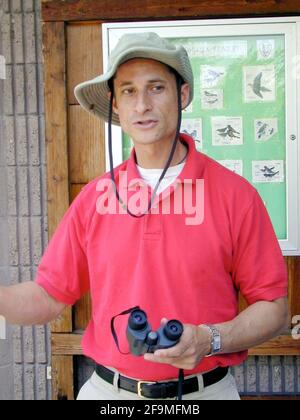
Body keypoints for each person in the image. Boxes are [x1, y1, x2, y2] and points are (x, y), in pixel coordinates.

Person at [0, 32, 288, 401]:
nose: (142, 105)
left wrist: (210, 339)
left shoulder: (235, 195)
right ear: (115, 104)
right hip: (109, 391)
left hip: (205, 392)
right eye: (129, 91)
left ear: (182, 95)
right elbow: (48, 295)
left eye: (156, 88)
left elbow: (273, 308)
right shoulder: (94, 198)